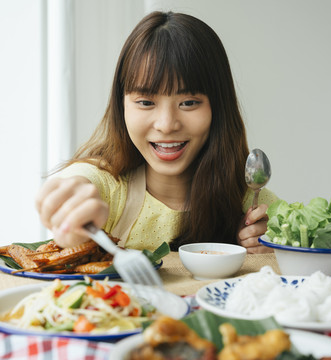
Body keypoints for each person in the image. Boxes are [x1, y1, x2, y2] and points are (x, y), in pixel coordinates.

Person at [35, 11, 277, 254]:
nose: (166, 124)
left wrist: (273, 248)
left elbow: (302, 257)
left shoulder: (250, 203)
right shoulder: (109, 187)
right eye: (146, 102)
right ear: (122, 105)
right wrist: (70, 198)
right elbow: (82, 180)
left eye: (189, 103)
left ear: (219, 107)